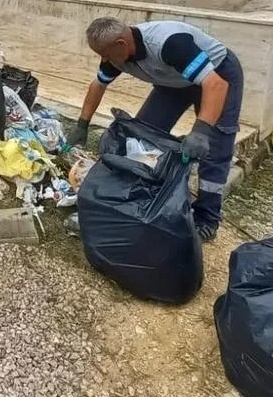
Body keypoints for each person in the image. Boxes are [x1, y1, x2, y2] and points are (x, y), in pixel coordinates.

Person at [66, 18, 244, 241]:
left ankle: (206, 220)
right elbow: (97, 85)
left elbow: (215, 85)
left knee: (215, 148)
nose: (104, 60)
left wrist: (201, 130)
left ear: (121, 44)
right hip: (175, 82)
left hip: (218, 74)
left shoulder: (169, 44)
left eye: (106, 54)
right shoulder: (116, 55)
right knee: (139, 137)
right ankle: (128, 200)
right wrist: (82, 124)